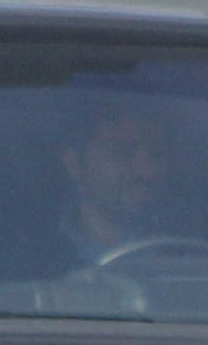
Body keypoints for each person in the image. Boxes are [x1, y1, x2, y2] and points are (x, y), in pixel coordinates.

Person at [59, 111, 174, 264]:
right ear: (74, 163)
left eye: (157, 154)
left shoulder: (200, 243)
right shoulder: (27, 250)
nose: (147, 172)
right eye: (122, 153)